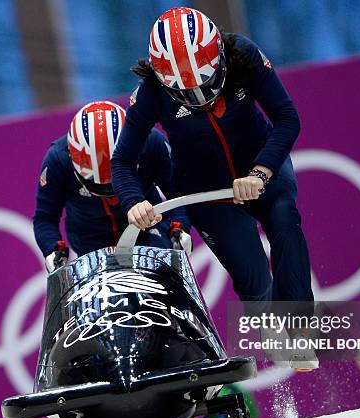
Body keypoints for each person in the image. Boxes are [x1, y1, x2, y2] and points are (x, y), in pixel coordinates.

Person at [111, 7, 313, 305]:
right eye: (186, 91)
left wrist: (261, 171)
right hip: (206, 191)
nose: (200, 97)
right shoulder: (150, 93)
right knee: (254, 280)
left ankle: (299, 329)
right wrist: (133, 202)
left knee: (284, 218)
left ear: (219, 57)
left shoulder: (243, 55)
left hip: (261, 167)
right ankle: (275, 336)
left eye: (206, 82)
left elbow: (286, 117)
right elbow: (122, 161)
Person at [33, 100, 191, 272]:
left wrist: (180, 227)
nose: (112, 193)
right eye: (100, 187)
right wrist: (53, 249)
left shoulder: (151, 142)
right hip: (91, 239)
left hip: (148, 227)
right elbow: (45, 217)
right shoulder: (57, 160)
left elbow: (177, 193)